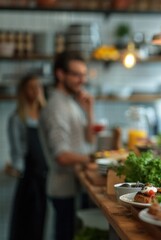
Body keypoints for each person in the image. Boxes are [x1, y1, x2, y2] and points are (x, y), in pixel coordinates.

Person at [39, 51, 95, 240]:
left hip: (73, 185)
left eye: (84, 74)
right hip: (62, 187)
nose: (83, 80)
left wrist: (89, 110)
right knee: (64, 235)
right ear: (60, 74)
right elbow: (61, 156)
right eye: (77, 74)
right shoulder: (56, 107)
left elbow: (89, 140)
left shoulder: (70, 102)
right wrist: (94, 159)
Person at [7, 74, 47, 240]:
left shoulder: (46, 116)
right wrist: (15, 168)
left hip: (46, 176)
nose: (35, 90)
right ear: (23, 91)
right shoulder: (17, 119)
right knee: (25, 224)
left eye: (38, 86)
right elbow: (16, 150)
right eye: (31, 87)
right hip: (28, 178)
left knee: (41, 223)